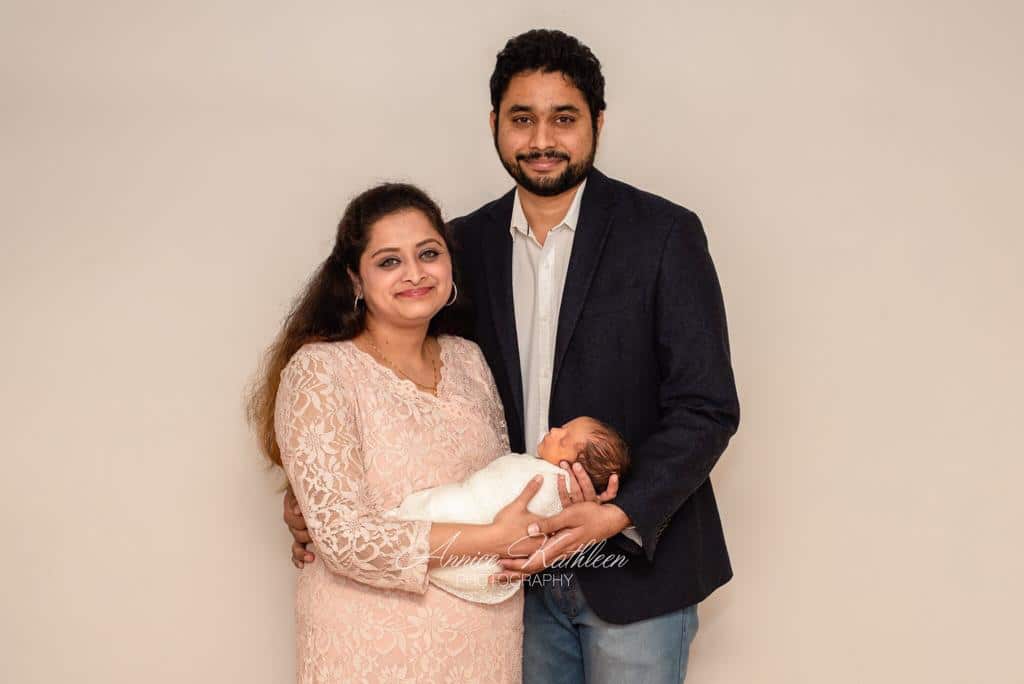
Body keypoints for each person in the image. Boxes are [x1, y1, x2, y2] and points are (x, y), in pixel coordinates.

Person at [285, 29, 740, 683]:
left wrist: (614, 514)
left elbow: (706, 407)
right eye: (522, 118)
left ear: (598, 123)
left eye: (564, 118)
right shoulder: (459, 247)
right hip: (498, 584)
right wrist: (314, 497)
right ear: (495, 123)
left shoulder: (664, 234)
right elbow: (409, 383)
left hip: (633, 571)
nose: (541, 139)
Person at [250, 183, 555, 683]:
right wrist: (494, 537)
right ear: (355, 277)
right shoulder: (321, 371)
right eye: (389, 261)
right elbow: (345, 538)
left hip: (483, 639)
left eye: (428, 254)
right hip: (371, 642)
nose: (415, 273)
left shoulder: (467, 358)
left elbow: (499, 484)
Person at [386, 417, 630, 604]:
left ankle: (411, 517)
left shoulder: (552, 484)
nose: (554, 431)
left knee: (447, 510)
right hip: (479, 533)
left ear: (579, 470)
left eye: (564, 440)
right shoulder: (535, 467)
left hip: (480, 540)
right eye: (561, 427)